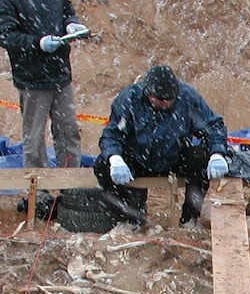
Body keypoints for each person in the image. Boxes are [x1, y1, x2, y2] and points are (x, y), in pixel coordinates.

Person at [94, 64, 230, 226]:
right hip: (139, 158)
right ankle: (131, 218)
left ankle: (189, 219)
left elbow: (214, 126)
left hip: (175, 156)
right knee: (103, 165)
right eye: (160, 100)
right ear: (149, 93)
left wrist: (217, 154)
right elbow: (111, 135)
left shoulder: (186, 96)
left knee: (201, 158)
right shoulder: (129, 99)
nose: (166, 103)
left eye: (169, 99)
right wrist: (115, 159)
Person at [0, 0, 87, 171]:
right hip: (32, 80)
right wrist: (38, 43)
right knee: (34, 140)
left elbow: (67, 12)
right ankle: (38, 191)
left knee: (68, 132)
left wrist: (71, 25)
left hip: (60, 75)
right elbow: (5, 36)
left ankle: (69, 186)